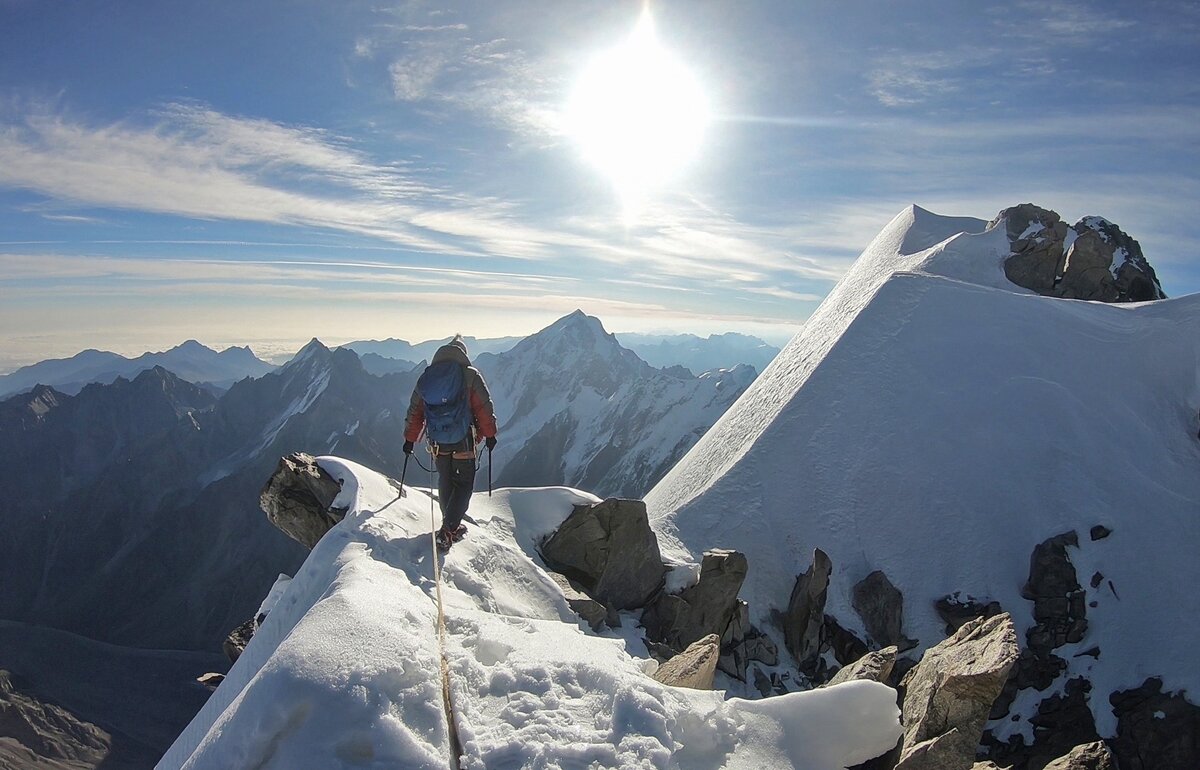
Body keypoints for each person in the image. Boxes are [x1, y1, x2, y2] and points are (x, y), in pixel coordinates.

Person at [403, 335, 498, 550]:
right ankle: (448, 530)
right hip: (464, 441)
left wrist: (410, 440)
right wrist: (490, 434)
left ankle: (448, 525)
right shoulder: (470, 375)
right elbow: (484, 408)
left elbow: (415, 411)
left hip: (437, 444)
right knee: (464, 484)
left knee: (445, 480)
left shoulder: (427, 378)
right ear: (463, 353)